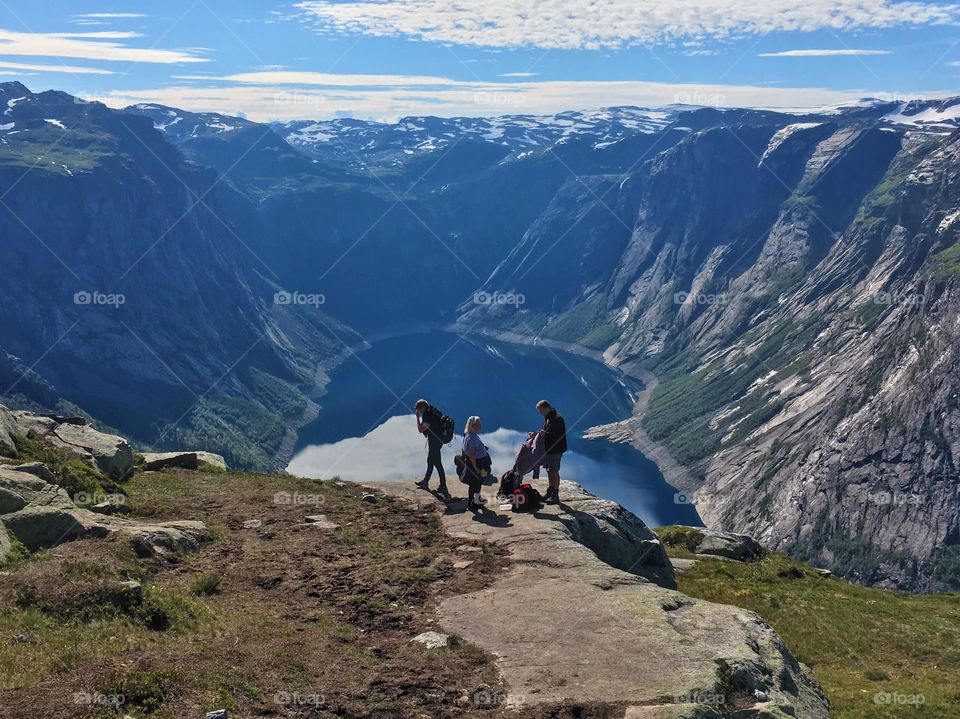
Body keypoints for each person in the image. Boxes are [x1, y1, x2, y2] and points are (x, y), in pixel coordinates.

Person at [414, 399, 447, 495]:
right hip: (437, 440)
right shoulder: (433, 411)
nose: (419, 412)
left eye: (419, 410)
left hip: (434, 442)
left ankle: (443, 486)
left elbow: (421, 429)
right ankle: (426, 481)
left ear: (422, 407)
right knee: (430, 460)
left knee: (437, 463)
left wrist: (417, 418)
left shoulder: (428, 415)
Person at [536, 400, 567, 504]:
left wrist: (545, 434)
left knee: (554, 470)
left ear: (546, 408)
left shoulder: (557, 419)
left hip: (556, 449)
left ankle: (555, 494)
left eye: (541, 411)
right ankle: (550, 491)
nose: (540, 413)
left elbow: (557, 435)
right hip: (549, 449)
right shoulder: (548, 417)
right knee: (550, 470)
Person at [461, 415, 491, 512]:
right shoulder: (473, 438)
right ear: (472, 426)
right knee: (477, 482)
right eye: (478, 424)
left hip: (475, 462)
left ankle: (476, 500)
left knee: (477, 482)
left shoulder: (468, 435)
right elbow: (472, 453)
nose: (480, 426)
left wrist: (482, 448)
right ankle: (473, 503)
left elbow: (468, 450)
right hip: (479, 463)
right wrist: (475, 467)